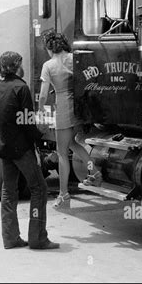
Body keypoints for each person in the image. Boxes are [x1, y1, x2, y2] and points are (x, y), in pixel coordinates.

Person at [0, 51, 59, 250]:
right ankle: (37, 238)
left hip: (5, 147)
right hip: (21, 149)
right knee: (39, 188)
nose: (23, 67)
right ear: (16, 67)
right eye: (21, 63)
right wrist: (40, 135)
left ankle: (10, 238)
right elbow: (28, 123)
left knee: (8, 192)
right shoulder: (21, 88)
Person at [38, 32, 101, 209]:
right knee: (74, 144)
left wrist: (40, 109)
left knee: (62, 153)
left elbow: (43, 95)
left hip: (64, 107)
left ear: (50, 48)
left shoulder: (48, 65)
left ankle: (63, 195)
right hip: (80, 106)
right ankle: (94, 172)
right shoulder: (75, 59)